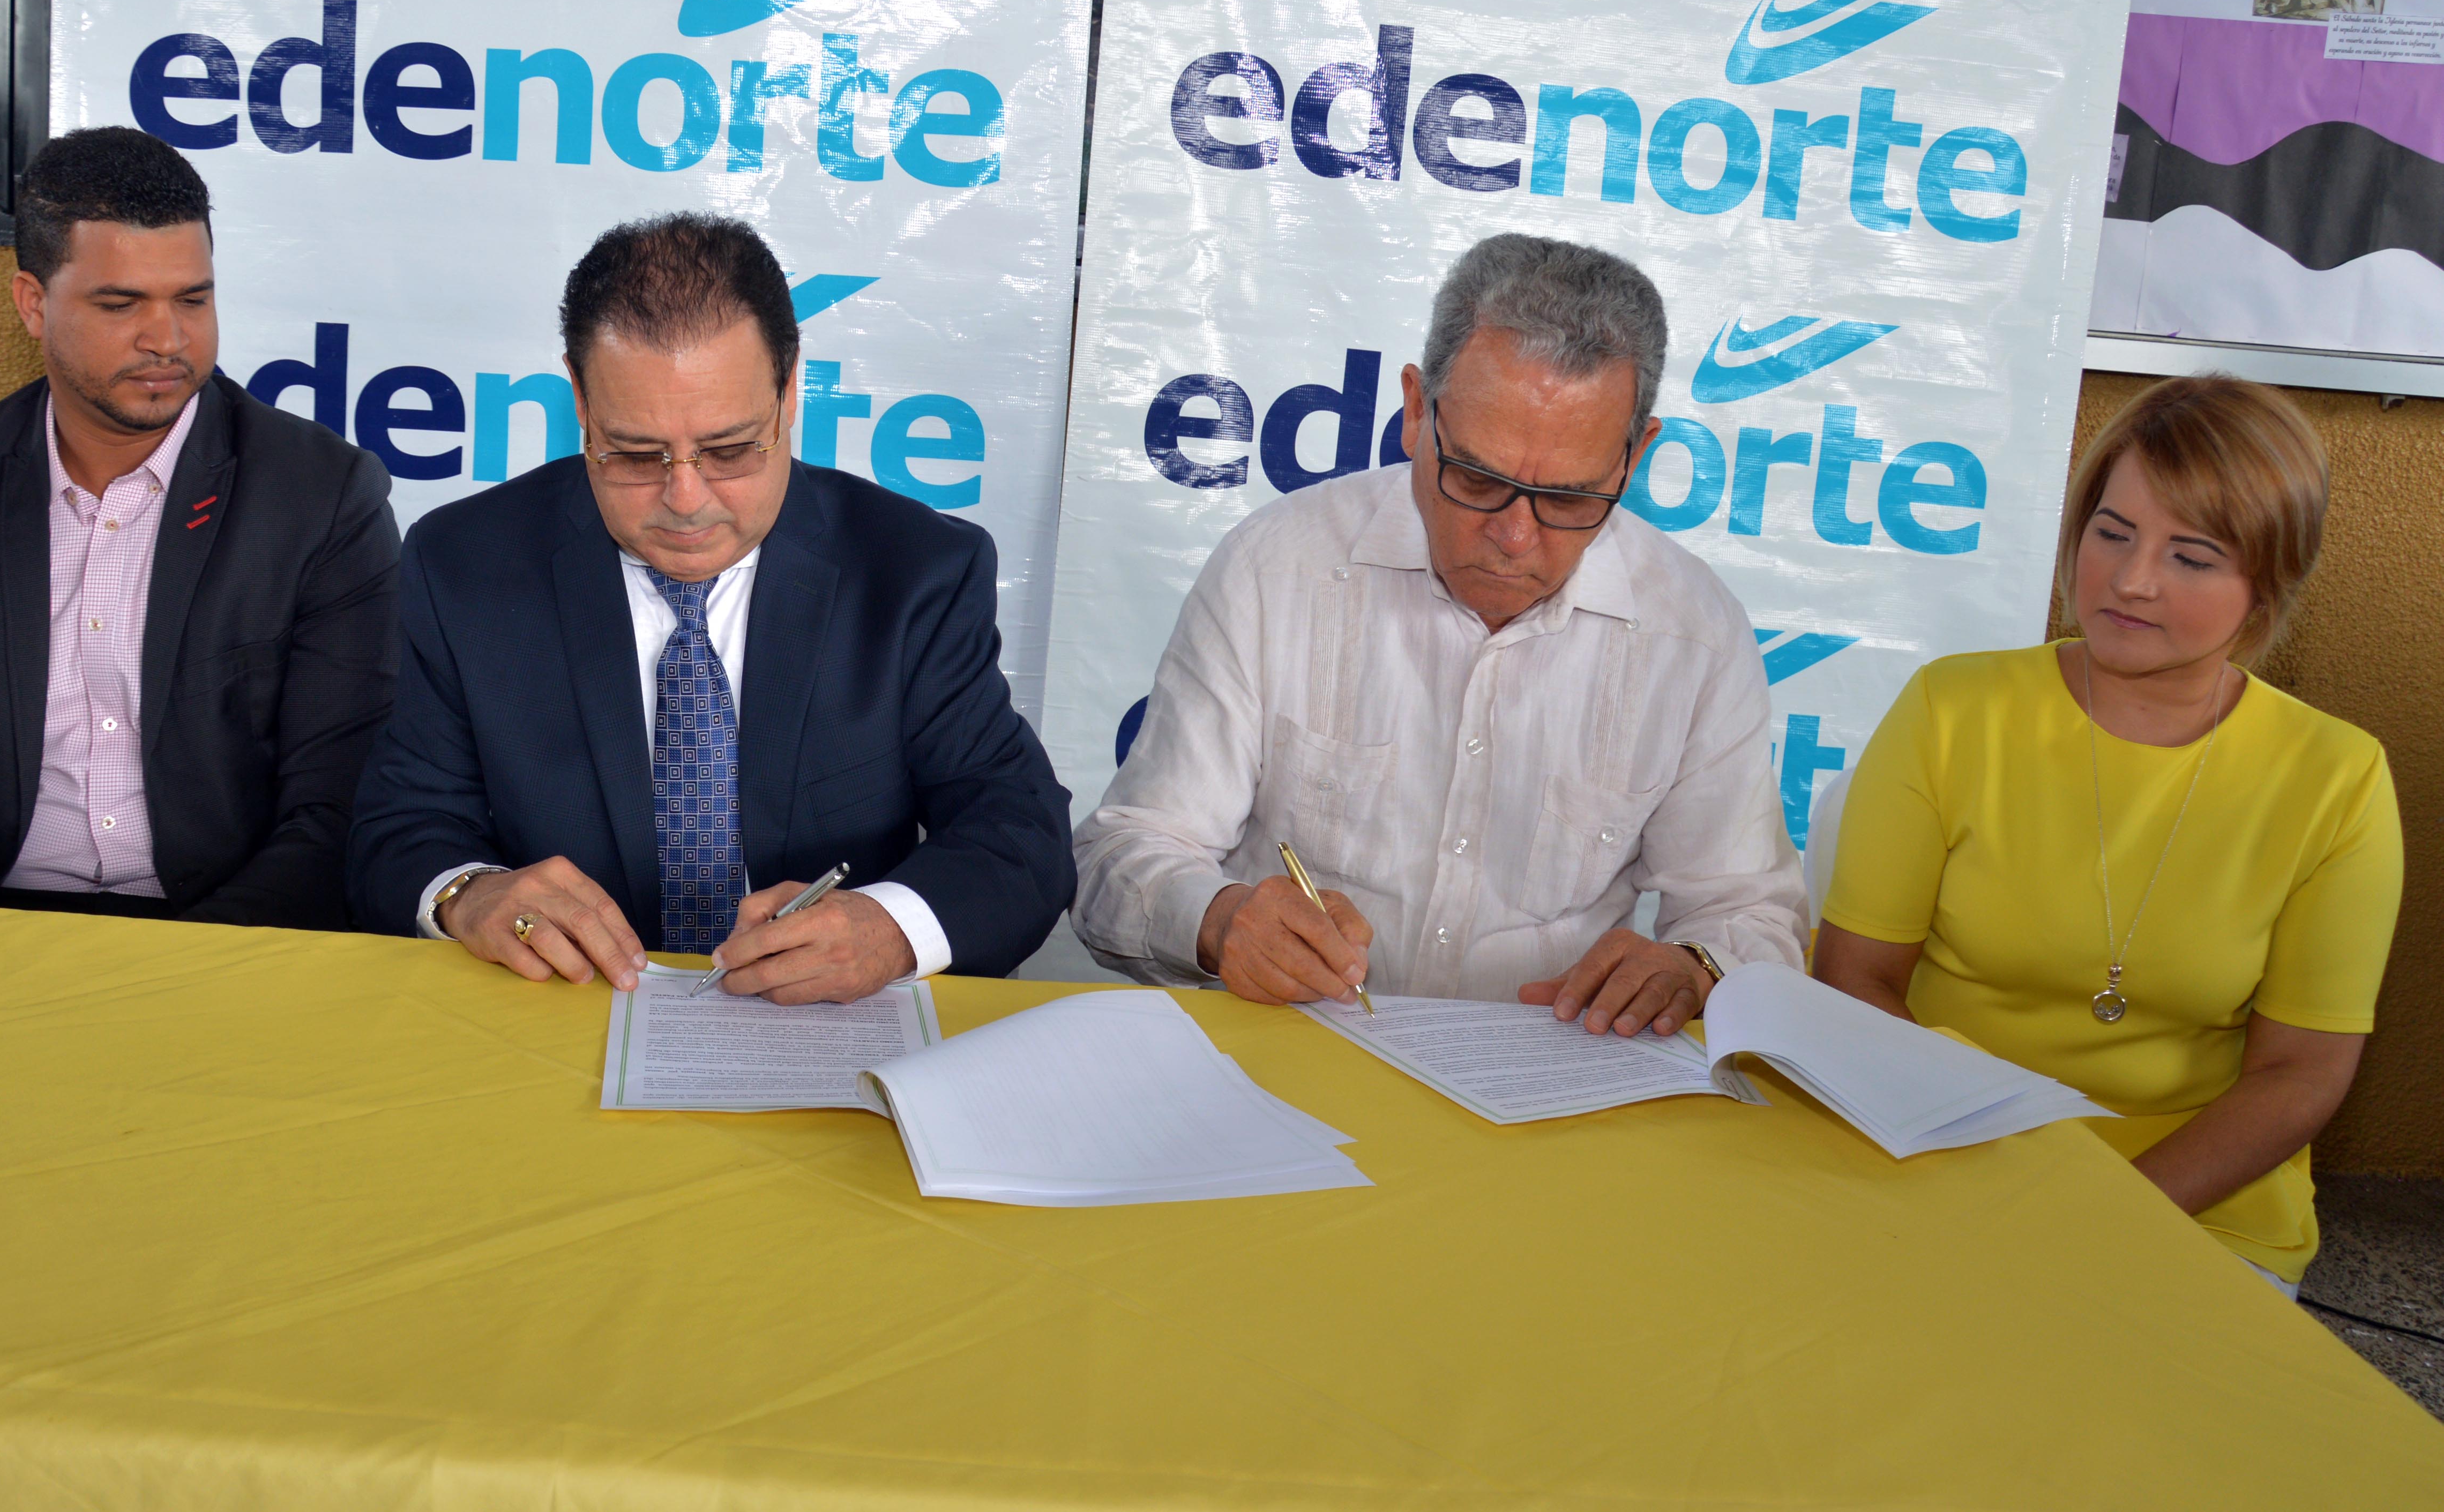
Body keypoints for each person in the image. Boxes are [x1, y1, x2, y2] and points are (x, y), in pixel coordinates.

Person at [1074, 234, 1805, 1034]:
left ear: (1634, 460)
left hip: (1547, 1080)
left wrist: (1694, 968)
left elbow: (1750, 914)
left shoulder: (1694, 635)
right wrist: (1218, 922)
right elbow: (1121, 860)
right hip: (1291, 1060)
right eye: (1479, 480)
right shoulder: (1275, 570)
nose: (1515, 536)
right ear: (1416, 412)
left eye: (1569, 499)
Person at [346, 212, 1072, 1001]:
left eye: (728, 450)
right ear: (580, 403)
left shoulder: (914, 572)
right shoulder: (465, 564)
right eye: (635, 454)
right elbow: (399, 829)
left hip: (822, 1026)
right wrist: (469, 894)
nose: (685, 499)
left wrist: (891, 930)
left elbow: (1020, 833)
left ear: (789, 393)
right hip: (561, 1016)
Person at [1817, 376, 2399, 1292]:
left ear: (2267, 581)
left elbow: (2299, 1073)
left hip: (2197, 1204)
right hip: (1936, 1152)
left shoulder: (2338, 777)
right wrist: (1989, 1181)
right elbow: (1855, 979)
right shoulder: (1951, 708)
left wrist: (2099, 1215)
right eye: (2112, 532)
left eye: (2191, 556)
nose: (2131, 580)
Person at [0, 128, 399, 925]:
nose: (168, 339)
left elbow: (340, 807)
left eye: (192, 299)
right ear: (33, 304)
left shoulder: (320, 495)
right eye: (121, 305)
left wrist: (171, 978)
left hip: (224, 937)